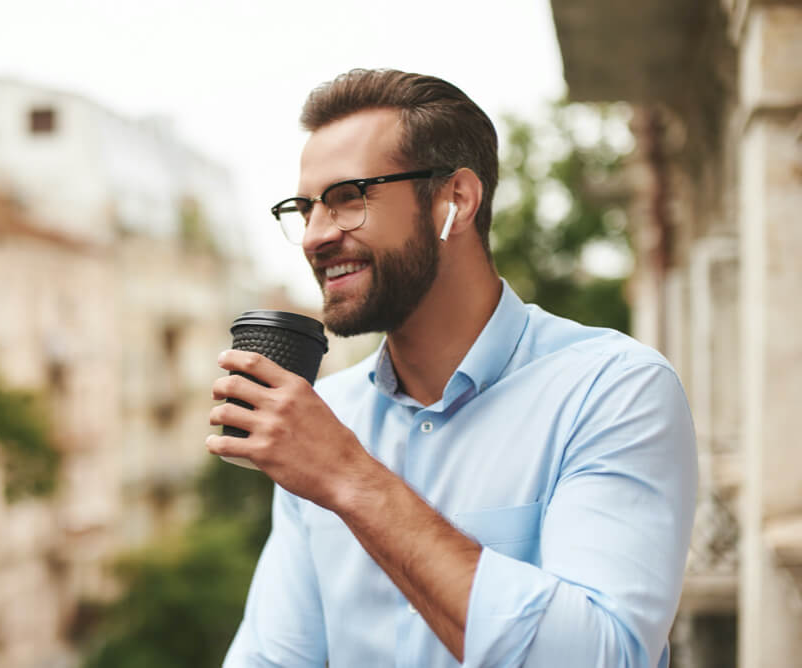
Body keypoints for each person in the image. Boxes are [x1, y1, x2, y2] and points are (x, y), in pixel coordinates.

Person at [206, 68, 696, 667]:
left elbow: (602, 656)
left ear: (455, 201)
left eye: (347, 200)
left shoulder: (614, 390)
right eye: (304, 209)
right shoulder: (324, 419)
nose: (314, 236)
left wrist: (350, 479)